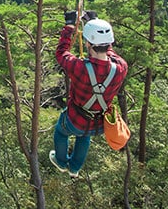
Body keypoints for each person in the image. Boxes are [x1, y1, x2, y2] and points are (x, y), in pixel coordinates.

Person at [50, 14, 128, 177]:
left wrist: (69, 27)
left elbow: (61, 53)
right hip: (97, 125)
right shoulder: (121, 67)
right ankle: (75, 168)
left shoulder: (80, 68)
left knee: (61, 132)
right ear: (109, 43)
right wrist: (94, 21)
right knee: (84, 136)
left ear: (87, 43)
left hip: (75, 120)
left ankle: (62, 162)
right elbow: (110, 53)